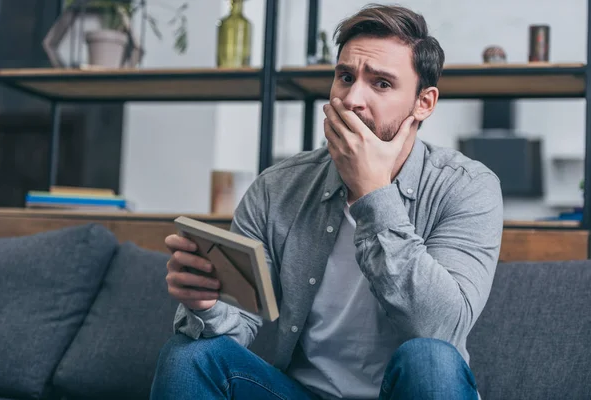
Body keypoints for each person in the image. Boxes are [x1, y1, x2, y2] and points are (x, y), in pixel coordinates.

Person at [151, 3, 503, 400]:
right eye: (345, 77)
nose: (352, 98)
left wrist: (373, 192)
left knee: (431, 358)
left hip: (411, 389)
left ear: (424, 103)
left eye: (381, 84)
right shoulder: (278, 186)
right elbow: (239, 324)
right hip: (301, 393)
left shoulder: (468, 187)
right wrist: (207, 305)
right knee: (190, 356)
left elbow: (441, 328)